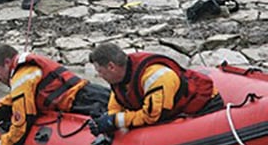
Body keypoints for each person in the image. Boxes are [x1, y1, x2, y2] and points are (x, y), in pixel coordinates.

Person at [0, 44, 110, 145]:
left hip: (87, 101)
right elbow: (7, 103)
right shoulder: (25, 71)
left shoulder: (22, 75)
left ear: (7, 62)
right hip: (89, 95)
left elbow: (21, 122)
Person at [87, 43, 223, 136]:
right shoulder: (120, 80)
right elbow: (116, 107)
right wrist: (106, 121)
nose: (99, 76)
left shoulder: (155, 78)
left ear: (111, 66)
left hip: (203, 108)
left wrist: (115, 121)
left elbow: (151, 116)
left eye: (100, 71)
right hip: (168, 110)